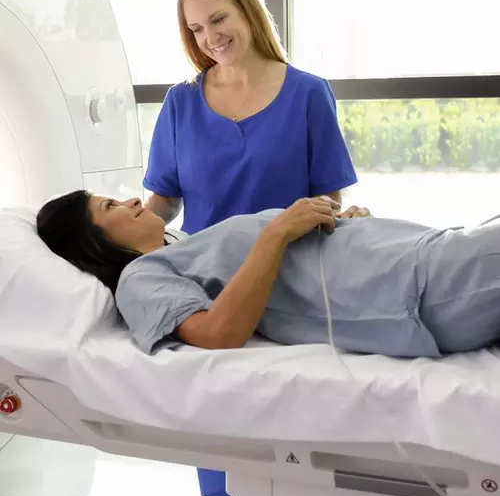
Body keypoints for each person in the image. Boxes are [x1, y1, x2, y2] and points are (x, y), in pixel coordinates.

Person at [141, 0, 358, 496]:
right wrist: (115, 246)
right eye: (195, 29)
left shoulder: (308, 94)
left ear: (247, 10)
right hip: (213, 295)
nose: (210, 37)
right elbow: (161, 205)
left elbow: (326, 202)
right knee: (220, 465)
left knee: (288, 464)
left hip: (294, 287)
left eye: (218, 18)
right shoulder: (180, 105)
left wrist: (344, 219)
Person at [37, 192, 500, 362]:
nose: (130, 201)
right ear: (91, 240)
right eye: (109, 207)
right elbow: (217, 334)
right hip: (414, 288)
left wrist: (347, 226)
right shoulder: (140, 278)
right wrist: (277, 232)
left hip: (419, 255)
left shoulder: (183, 244)